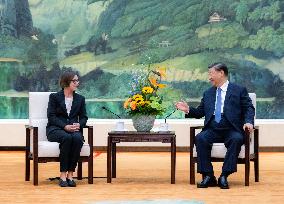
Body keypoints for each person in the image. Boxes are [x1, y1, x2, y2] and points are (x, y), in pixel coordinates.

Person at [175, 62, 255, 189]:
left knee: (236, 139)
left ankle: (224, 175)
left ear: (221, 73)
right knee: (201, 138)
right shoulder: (208, 93)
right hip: (213, 129)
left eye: (211, 73)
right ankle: (208, 176)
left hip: (231, 129)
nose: (209, 77)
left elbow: (249, 108)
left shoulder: (238, 90)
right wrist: (188, 110)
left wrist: (249, 121)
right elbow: (200, 112)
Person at [46, 70, 88, 187]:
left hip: (74, 129)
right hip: (56, 129)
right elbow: (51, 117)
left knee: (77, 139)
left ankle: (70, 174)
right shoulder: (54, 97)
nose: (77, 83)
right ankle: (63, 174)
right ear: (66, 82)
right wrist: (65, 126)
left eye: (77, 81)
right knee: (67, 137)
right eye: (74, 81)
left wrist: (80, 125)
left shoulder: (80, 99)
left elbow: (84, 117)